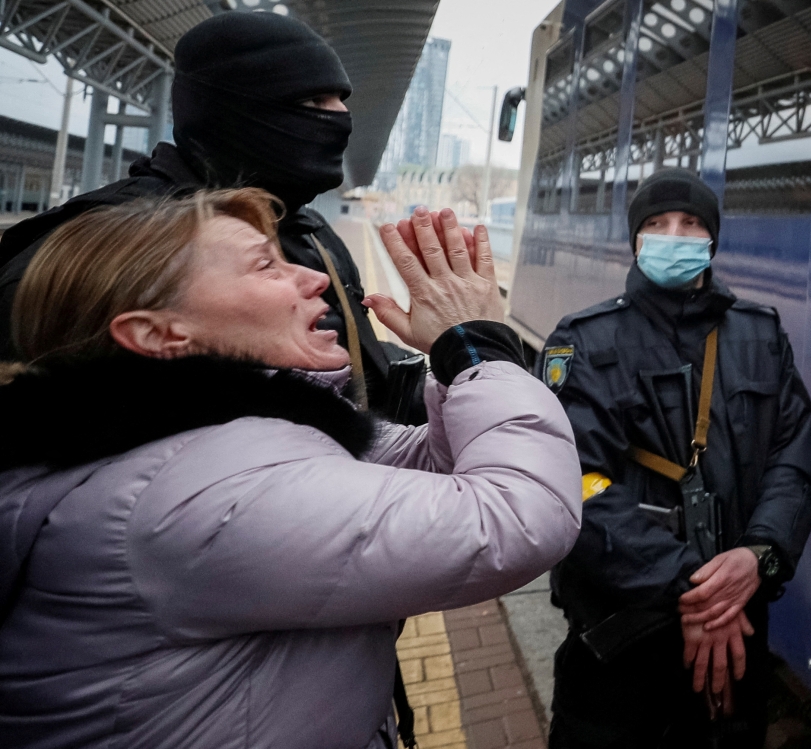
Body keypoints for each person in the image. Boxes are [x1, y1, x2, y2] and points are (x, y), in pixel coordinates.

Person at [0, 191, 581, 748]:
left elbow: (429, 468)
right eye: (264, 268)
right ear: (159, 334)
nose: (314, 277)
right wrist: (480, 352)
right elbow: (518, 515)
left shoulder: (196, 437)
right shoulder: (196, 492)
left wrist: (459, 367)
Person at [0, 12, 426, 421]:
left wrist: (449, 355)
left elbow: (360, 374)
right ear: (231, 111)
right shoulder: (102, 242)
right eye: (313, 100)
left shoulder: (312, 231)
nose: (341, 117)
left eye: (340, 100)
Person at [539, 168, 811, 748]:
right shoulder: (584, 341)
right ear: (636, 241)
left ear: (711, 241)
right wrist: (697, 589)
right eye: (657, 224)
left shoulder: (761, 334)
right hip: (622, 650)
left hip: (737, 638)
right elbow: (575, 481)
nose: (675, 233)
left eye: (691, 224)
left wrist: (759, 556)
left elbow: (792, 461)